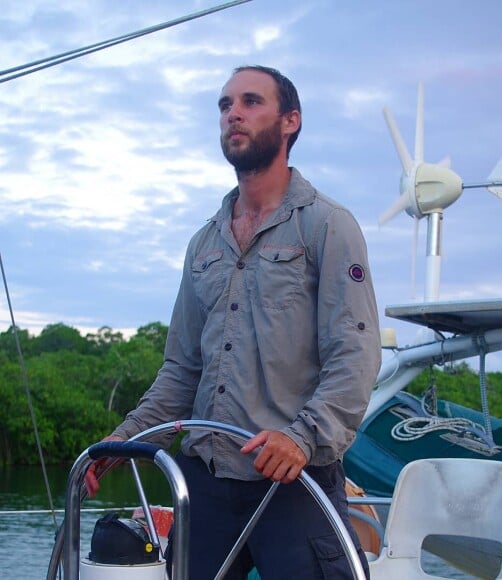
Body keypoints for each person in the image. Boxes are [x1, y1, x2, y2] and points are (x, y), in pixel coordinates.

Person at [86, 65, 382, 579]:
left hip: (294, 480)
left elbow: (355, 355)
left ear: (290, 121)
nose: (233, 114)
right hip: (206, 482)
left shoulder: (328, 226)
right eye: (225, 106)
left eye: (249, 102)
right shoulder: (204, 244)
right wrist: (127, 441)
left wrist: (303, 437)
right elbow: (181, 370)